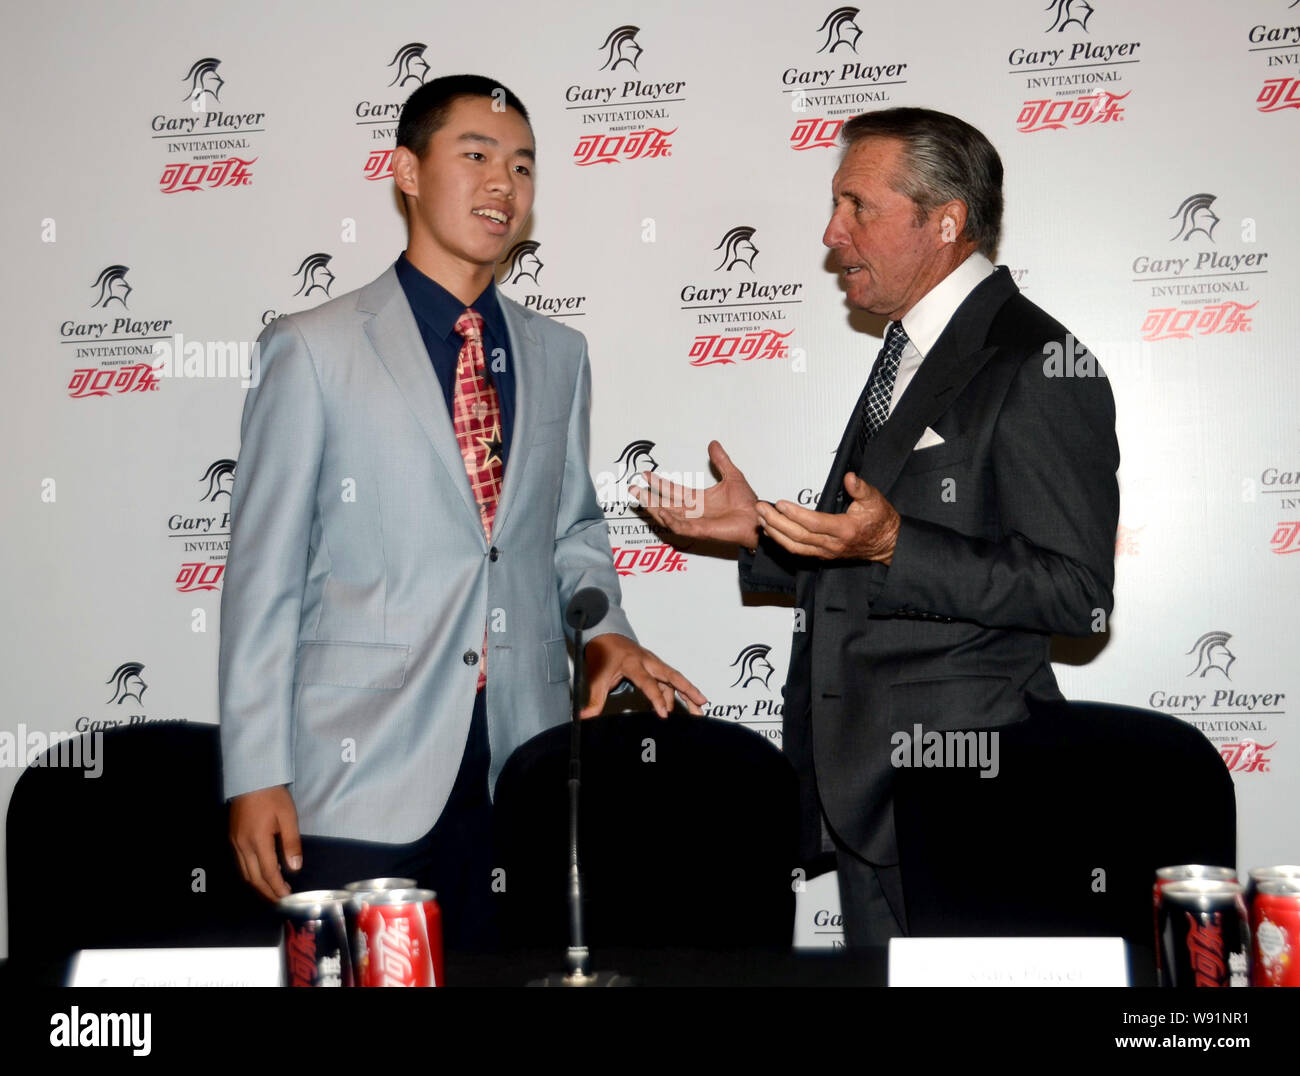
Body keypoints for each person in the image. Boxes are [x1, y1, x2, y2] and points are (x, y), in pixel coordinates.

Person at [220, 74, 703, 949]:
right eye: (475, 155)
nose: (501, 185)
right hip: (354, 771)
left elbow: (570, 531)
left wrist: (603, 629)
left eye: (521, 166)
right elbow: (263, 577)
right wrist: (255, 772)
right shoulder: (313, 349)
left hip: (520, 765)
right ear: (406, 170)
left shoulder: (560, 353)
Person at [637, 107, 1119, 945]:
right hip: (865, 798)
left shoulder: (1035, 360)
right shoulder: (910, 350)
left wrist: (899, 544)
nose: (832, 233)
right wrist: (761, 534)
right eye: (836, 205)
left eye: (858, 206)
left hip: (966, 802)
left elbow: (1077, 594)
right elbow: (864, 551)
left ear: (946, 220)